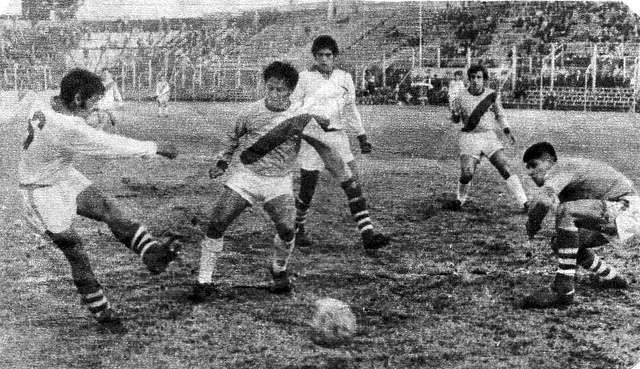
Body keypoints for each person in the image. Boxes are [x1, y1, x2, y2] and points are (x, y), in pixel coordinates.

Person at [18, 69, 181, 331]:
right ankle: (103, 312)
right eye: (93, 102)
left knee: (107, 206)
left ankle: (151, 252)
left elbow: (35, 99)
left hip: (61, 174)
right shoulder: (68, 126)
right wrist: (155, 147)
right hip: (39, 191)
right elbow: (110, 145)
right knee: (76, 253)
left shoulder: (47, 99)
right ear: (78, 98)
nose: (95, 109)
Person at [190, 61, 353, 301]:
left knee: (288, 229)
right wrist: (222, 162)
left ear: (290, 91)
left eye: (281, 89)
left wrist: (343, 174)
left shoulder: (301, 117)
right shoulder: (250, 112)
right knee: (217, 222)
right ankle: (204, 280)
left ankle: (278, 270)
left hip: (279, 181)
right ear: (265, 87)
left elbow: (325, 147)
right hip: (246, 176)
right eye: (270, 88)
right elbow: (232, 137)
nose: (275, 94)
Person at [290, 35, 389, 250]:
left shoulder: (344, 78)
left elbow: (350, 109)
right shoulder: (304, 78)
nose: (324, 59)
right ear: (314, 57)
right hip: (312, 137)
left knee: (353, 182)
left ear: (334, 57)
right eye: (320, 55)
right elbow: (294, 107)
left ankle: (368, 235)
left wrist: (361, 135)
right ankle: (297, 229)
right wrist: (312, 116)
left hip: (338, 137)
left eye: (328, 55)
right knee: (308, 187)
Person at [520, 142, 635, 308]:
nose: (530, 172)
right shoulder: (569, 180)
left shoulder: (559, 168)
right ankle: (611, 277)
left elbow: (543, 201)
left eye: (533, 165)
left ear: (550, 161)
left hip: (627, 207)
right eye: (527, 168)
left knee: (566, 211)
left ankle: (563, 289)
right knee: (562, 241)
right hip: (621, 213)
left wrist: (532, 223)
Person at [445, 64, 528, 211]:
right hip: (469, 137)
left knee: (505, 167)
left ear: (484, 80)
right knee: (467, 173)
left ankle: (525, 202)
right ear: (468, 79)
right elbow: (456, 120)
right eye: (473, 77)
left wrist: (507, 131)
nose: (476, 80)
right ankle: (460, 199)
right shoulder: (461, 97)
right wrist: (454, 115)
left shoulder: (492, 95)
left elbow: (500, 115)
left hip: (489, 137)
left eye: (479, 77)